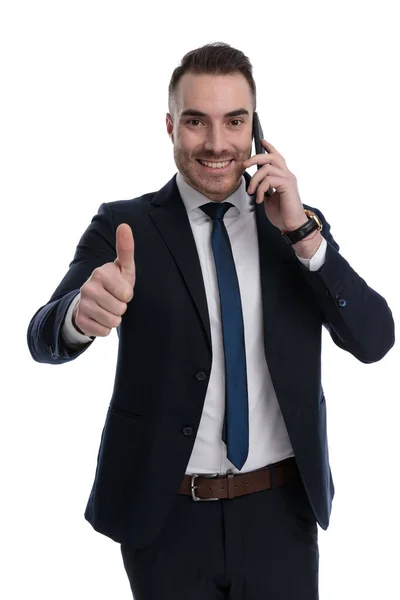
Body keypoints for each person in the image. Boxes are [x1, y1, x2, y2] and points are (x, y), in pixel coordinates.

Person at [27, 42, 395, 600]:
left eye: (235, 121)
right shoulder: (126, 225)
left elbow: (374, 340)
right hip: (165, 517)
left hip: (281, 513)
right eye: (197, 121)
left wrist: (303, 235)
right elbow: (43, 334)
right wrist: (81, 313)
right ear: (171, 126)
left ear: (256, 129)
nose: (218, 143)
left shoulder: (296, 227)